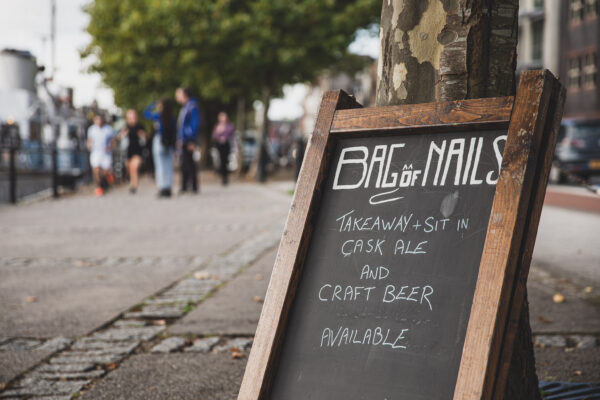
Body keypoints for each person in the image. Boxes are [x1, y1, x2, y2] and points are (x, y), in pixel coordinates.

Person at [144, 99, 177, 197]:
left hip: (160, 141)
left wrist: (152, 104)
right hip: (169, 143)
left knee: (160, 166)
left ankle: (162, 187)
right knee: (168, 166)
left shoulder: (158, 116)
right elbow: (175, 132)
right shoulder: (172, 117)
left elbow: (146, 113)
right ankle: (169, 187)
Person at [175, 87, 201, 193]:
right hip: (184, 139)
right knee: (185, 162)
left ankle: (192, 186)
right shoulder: (186, 107)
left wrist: (191, 140)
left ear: (185, 95)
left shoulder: (191, 107)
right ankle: (186, 185)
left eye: (178, 94)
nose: (176, 97)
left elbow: (195, 124)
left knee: (189, 162)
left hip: (188, 139)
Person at [117, 109, 146, 194]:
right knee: (129, 169)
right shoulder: (126, 127)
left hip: (138, 150)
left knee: (134, 167)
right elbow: (119, 138)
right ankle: (132, 184)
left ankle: (134, 186)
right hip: (128, 151)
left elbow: (144, 138)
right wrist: (123, 135)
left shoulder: (139, 126)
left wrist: (142, 135)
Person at [87, 114, 115, 197]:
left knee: (106, 171)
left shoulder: (108, 129)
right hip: (96, 152)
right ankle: (99, 187)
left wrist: (110, 146)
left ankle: (106, 181)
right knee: (96, 170)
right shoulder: (91, 129)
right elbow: (89, 140)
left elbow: (113, 140)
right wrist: (89, 146)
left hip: (105, 153)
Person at [212, 111, 236, 186]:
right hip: (220, 145)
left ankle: (226, 177)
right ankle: (223, 177)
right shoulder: (217, 126)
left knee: (226, 161)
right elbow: (214, 136)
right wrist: (219, 134)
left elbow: (233, 136)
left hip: (226, 145)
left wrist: (225, 137)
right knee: (221, 161)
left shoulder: (229, 126)